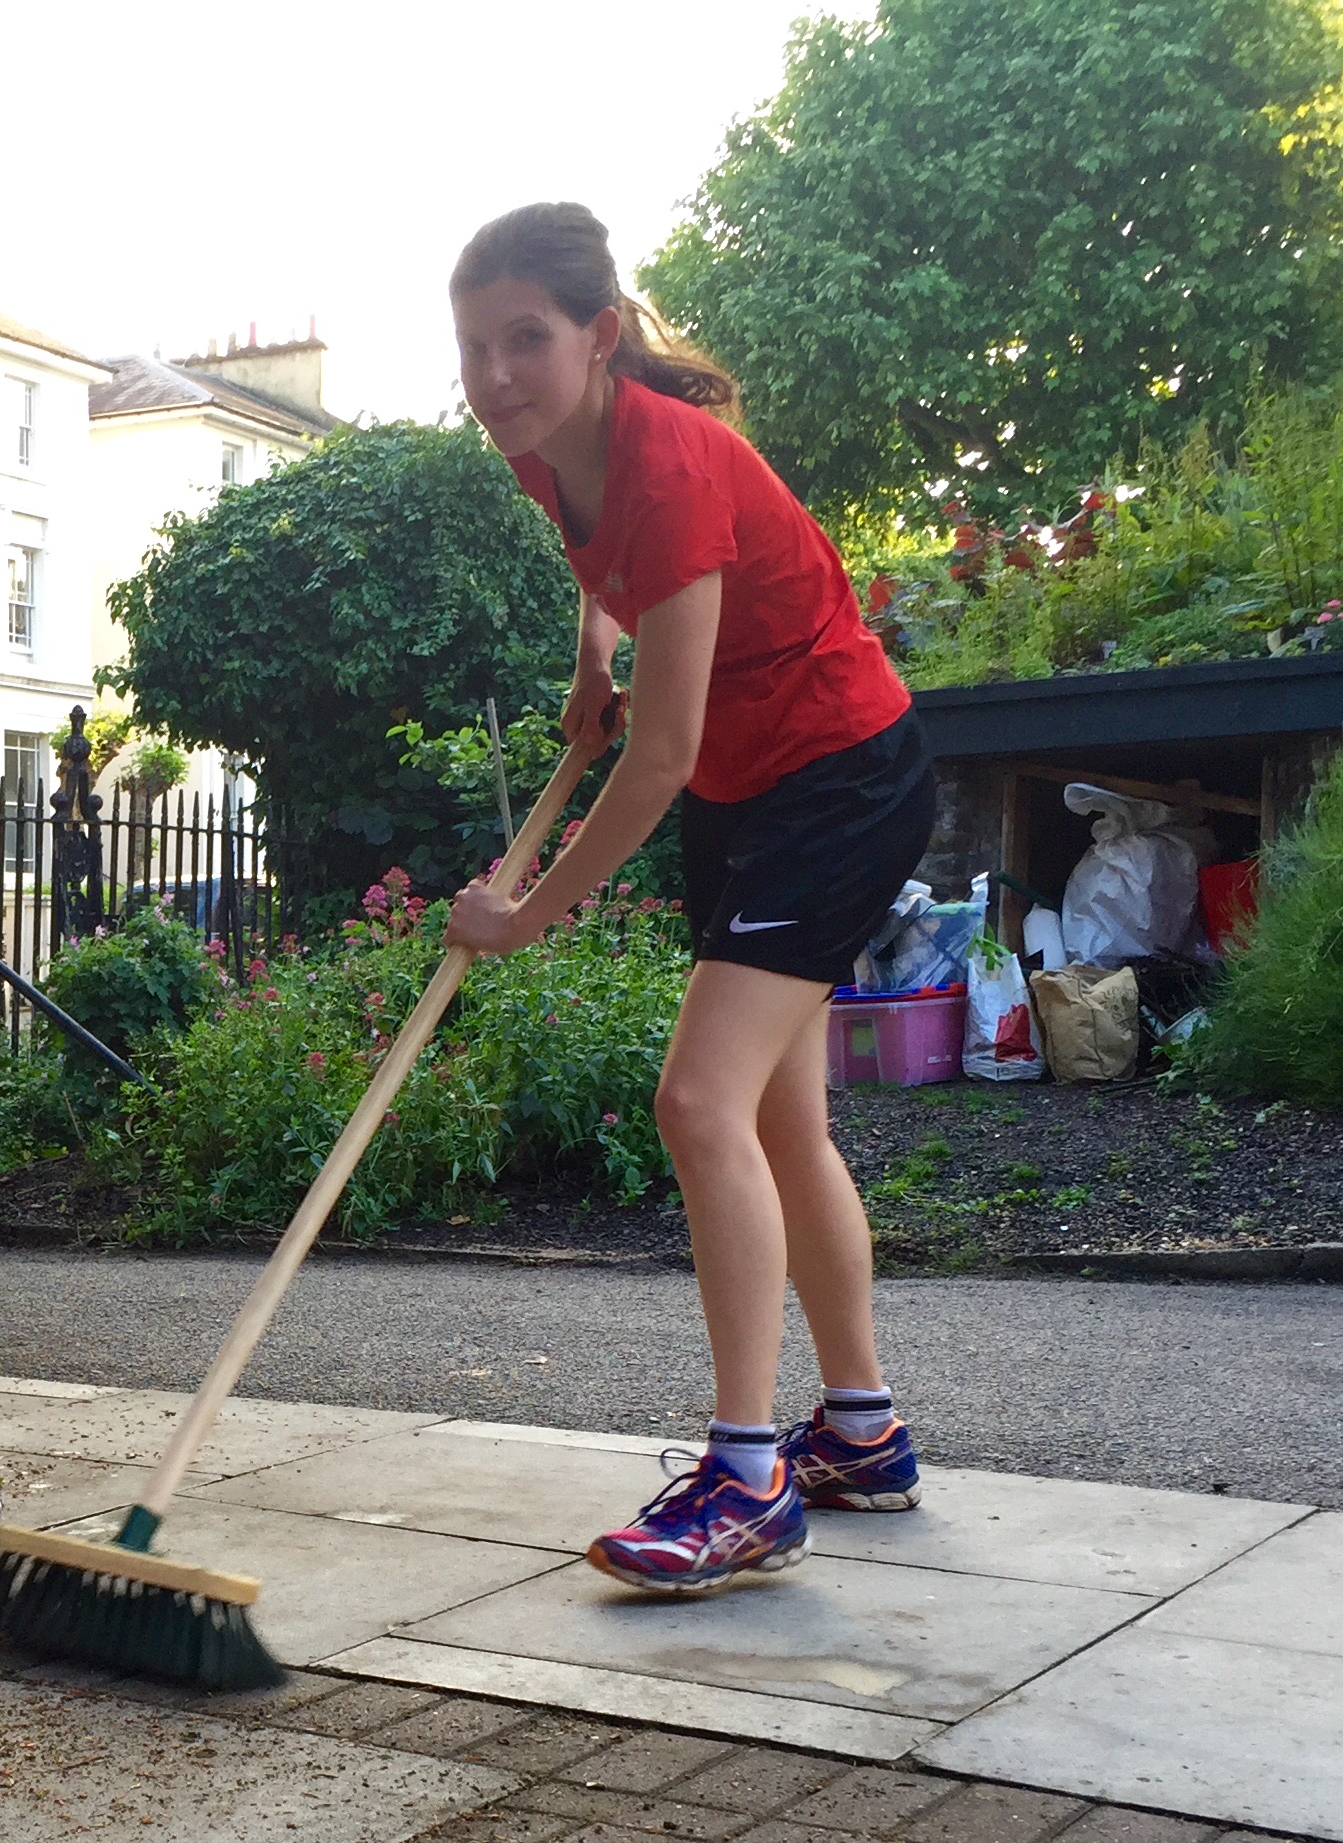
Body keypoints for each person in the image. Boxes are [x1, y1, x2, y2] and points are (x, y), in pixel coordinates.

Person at [443, 201, 928, 1596]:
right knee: (777, 1113)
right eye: (473, 347)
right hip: (750, 787)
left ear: (597, 336)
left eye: (524, 341)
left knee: (696, 1102)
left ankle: (746, 1481)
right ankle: (860, 1432)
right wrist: (601, 639)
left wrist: (523, 913)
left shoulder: (671, 462)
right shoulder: (551, 458)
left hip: (836, 777)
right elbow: (633, 601)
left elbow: (655, 759)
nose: (495, 376)